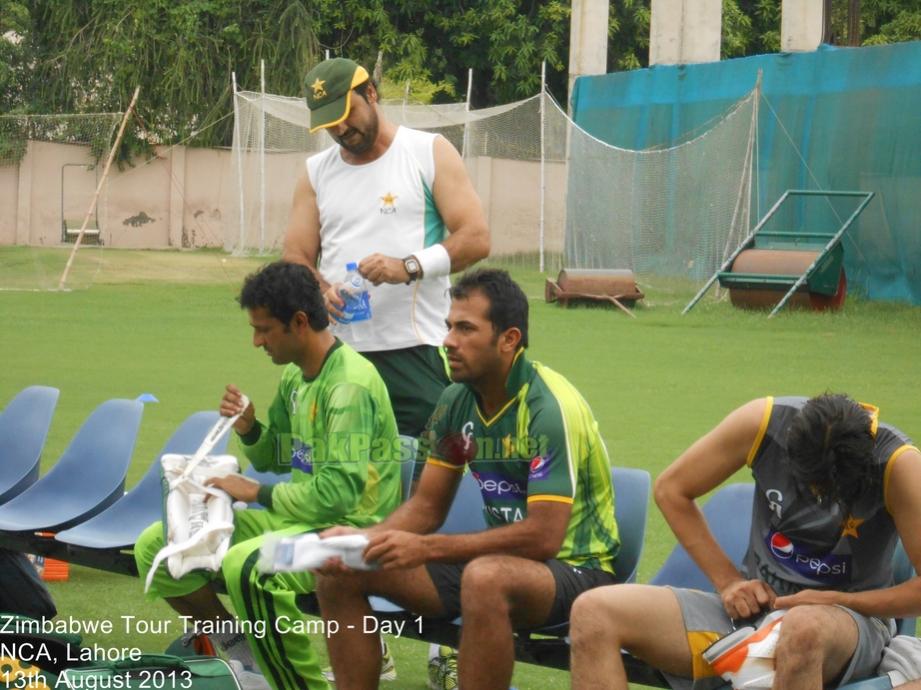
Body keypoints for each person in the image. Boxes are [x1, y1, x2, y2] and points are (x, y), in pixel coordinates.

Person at [314, 268, 621, 690]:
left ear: (509, 339)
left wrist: (425, 548)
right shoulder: (456, 400)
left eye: (465, 329)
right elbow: (426, 507)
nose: (448, 341)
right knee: (340, 566)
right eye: (448, 326)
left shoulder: (548, 408)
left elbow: (544, 537)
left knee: (485, 577)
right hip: (496, 569)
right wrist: (366, 540)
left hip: (577, 572)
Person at [134, 261, 402, 690]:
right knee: (157, 544)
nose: (256, 341)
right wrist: (250, 427)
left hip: (353, 537)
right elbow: (281, 455)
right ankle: (245, 656)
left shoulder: (348, 387)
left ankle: (300, 685)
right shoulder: (297, 376)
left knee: (251, 564)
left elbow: (337, 495)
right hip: (301, 521)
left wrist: (255, 492)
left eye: (263, 329)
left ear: (299, 322)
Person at [569, 394, 921, 690]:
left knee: (801, 630)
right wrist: (729, 582)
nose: (816, 498)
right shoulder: (763, 424)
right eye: (807, 486)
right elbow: (671, 489)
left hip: (846, 624)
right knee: (593, 611)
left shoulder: (899, 466)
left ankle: (767, 645)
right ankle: (749, 650)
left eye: (828, 491)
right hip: (751, 616)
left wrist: (834, 599)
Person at [282, 56, 490, 448]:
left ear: (371, 94)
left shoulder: (428, 152)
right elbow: (295, 255)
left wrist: (407, 266)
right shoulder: (315, 172)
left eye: (347, 113)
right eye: (329, 123)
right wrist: (319, 289)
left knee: (427, 480)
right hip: (339, 354)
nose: (341, 129)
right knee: (340, 479)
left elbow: (476, 236)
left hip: (416, 353)